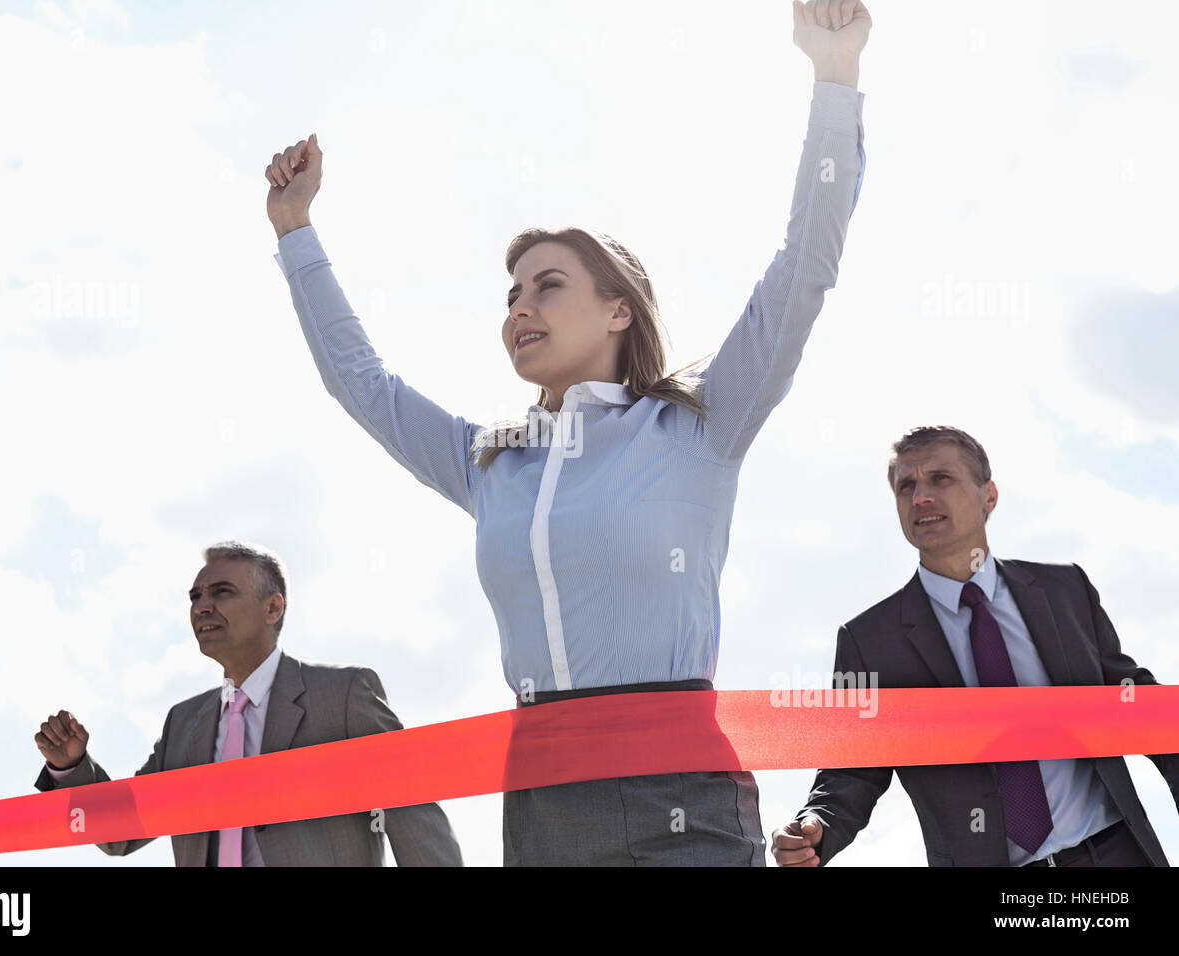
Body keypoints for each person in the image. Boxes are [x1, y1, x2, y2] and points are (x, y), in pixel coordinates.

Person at [264, 0, 871, 865]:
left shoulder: (697, 423)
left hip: (682, 796)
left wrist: (834, 75)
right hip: (542, 801)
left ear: (619, 307)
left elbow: (803, 268)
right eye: (509, 296)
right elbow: (360, 385)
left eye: (547, 286)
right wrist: (295, 232)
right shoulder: (488, 463)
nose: (520, 308)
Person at [771, 426, 1179, 867]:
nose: (920, 497)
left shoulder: (1066, 589)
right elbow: (851, 768)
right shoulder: (870, 640)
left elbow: (1139, 705)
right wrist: (815, 827)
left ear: (989, 495)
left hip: (1116, 854)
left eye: (940, 479)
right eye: (906, 486)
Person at [33, 541, 463, 866]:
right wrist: (72, 767)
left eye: (221, 592)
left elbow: (414, 819)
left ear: (273, 607)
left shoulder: (344, 696)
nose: (202, 607)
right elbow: (121, 833)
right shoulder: (183, 722)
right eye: (195, 597)